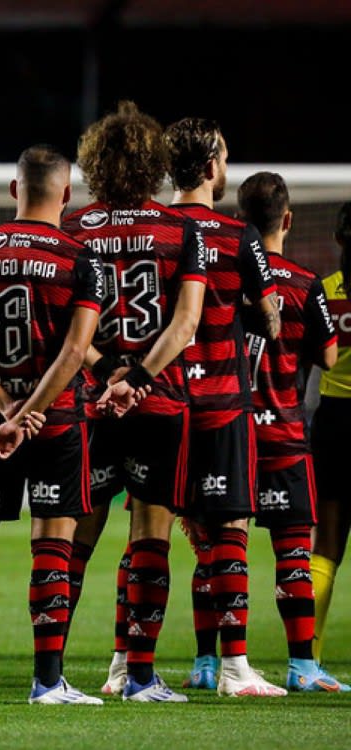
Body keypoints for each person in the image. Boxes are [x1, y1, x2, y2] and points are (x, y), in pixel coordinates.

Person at [0, 144, 103, 705]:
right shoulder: (79, 259)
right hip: (55, 423)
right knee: (53, 541)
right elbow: (77, 350)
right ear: (65, 195)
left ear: (15, 191)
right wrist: (32, 411)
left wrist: (4, 407)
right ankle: (48, 681)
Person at [62, 100, 208, 702]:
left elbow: (68, 331)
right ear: (156, 166)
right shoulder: (184, 231)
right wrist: (140, 378)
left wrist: (107, 372)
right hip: (158, 403)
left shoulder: (73, 230)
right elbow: (185, 325)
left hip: (94, 401)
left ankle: (51, 673)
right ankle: (138, 676)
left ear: (95, 165)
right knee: (150, 535)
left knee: (77, 541)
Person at [162, 118, 286, 697]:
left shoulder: (155, 228)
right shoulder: (240, 237)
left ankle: (128, 664)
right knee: (229, 528)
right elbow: (269, 313)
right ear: (212, 167)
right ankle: (234, 667)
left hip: (160, 400)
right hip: (221, 401)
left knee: (149, 530)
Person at [237, 171, 348, 692]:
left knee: (222, 546)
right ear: (287, 219)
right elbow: (327, 357)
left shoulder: (223, 281)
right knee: (293, 551)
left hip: (234, 436)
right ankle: (303, 665)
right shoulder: (306, 284)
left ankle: (210, 663)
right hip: (284, 433)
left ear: (241, 220)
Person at [310, 200, 351, 665]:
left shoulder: (322, 293)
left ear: (338, 239)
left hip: (335, 421)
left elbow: (316, 359)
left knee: (327, 545)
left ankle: (309, 655)